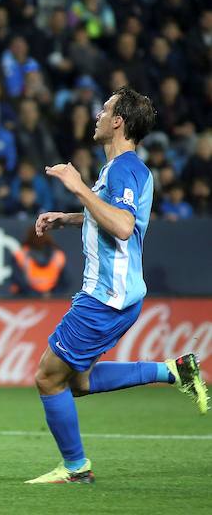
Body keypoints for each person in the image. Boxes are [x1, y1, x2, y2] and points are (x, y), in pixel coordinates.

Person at [27, 88, 208, 484]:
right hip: (115, 295)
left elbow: (123, 227)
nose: (97, 114)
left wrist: (77, 187)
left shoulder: (125, 168)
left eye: (105, 109)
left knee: (48, 378)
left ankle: (76, 469)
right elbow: (109, 215)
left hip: (106, 296)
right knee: (78, 381)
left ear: (118, 122)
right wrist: (69, 217)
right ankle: (173, 371)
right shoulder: (122, 170)